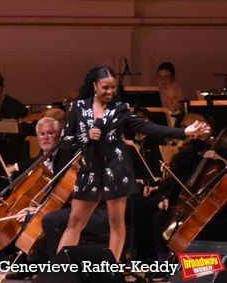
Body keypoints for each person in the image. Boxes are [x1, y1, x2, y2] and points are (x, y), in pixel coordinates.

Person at [55, 65, 210, 262]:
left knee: (116, 222)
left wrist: (184, 133)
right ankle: (59, 269)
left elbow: (149, 127)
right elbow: (66, 141)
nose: (110, 92)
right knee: (75, 221)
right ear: (95, 85)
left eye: (113, 87)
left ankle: (111, 270)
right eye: (105, 87)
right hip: (91, 169)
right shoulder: (79, 107)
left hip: (116, 168)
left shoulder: (120, 110)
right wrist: (86, 136)